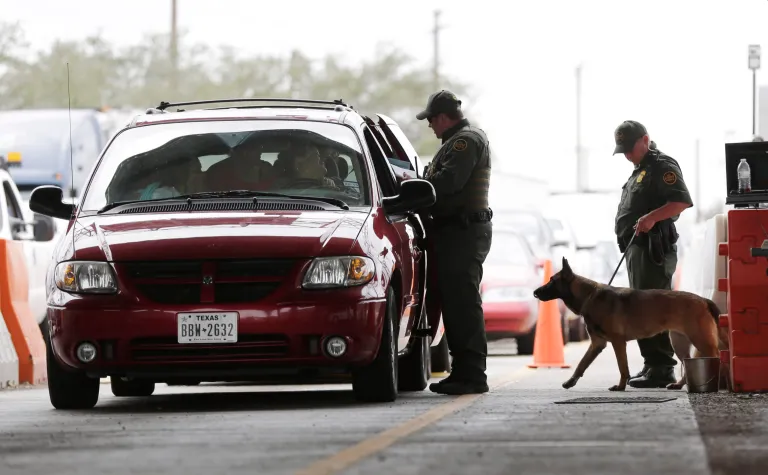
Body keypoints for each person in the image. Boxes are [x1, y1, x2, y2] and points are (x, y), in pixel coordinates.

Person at [416, 90, 493, 395]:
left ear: (443, 117)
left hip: (463, 232)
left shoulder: (465, 141)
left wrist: (415, 188)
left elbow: (448, 184)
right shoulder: (457, 142)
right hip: (456, 232)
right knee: (457, 302)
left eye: (431, 120)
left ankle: (472, 374)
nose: (430, 126)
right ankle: (464, 370)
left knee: (463, 304)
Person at [612, 120, 694, 389]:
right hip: (637, 248)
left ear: (645, 140)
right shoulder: (640, 169)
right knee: (640, 307)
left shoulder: (662, 166)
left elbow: (681, 201)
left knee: (653, 306)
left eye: (630, 148)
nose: (626, 155)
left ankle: (662, 367)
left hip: (653, 249)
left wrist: (650, 218)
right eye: (622, 150)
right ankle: (652, 365)